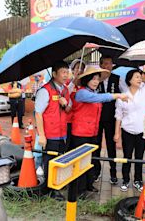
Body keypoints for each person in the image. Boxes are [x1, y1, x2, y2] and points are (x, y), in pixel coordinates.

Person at [71, 67, 129, 197]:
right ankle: (79, 191)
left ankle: (88, 185)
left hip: (92, 132)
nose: (96, 81)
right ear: (86, 80)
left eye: (97, 79)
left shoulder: (94, 92)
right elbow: (99, 98)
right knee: (81, 163)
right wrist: (118, 95)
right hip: (81, 133)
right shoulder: (82, 93)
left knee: (90, 161)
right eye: (93, 79)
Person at [35, 61, 71, 201]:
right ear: (54, 74)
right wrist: (42, 136)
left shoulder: (65, 90)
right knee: (49, 162)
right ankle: (50, 190)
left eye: (67, 72)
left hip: (62, 134)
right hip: (50, 134)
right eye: (63, 72)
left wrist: (65, 103)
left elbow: (68, 110)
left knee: (59, 160)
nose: (65, 75)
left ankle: (55, 185)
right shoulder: (45, 90)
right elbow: (38, 113)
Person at [96, 55, 126, 185]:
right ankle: (95, 172)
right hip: (97, 118)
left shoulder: (117, 79)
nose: (108, 66)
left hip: (111, 117)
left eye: (110, 64)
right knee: (96, 145)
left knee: (111, 146)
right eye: (105, 64)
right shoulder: (95, 78)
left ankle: (113, 173)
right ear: (101, 65)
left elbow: (124, 94)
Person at [66, 59, 86, 149]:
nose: (80, 71)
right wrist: (74, 81)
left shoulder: (84, 86)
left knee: (77, 146)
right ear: (73, 70)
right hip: (68, 120)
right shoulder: (67, 83)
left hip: (80, 121)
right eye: (78, 68)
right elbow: (65, 93)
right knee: (68, 145)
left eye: (82, 68)